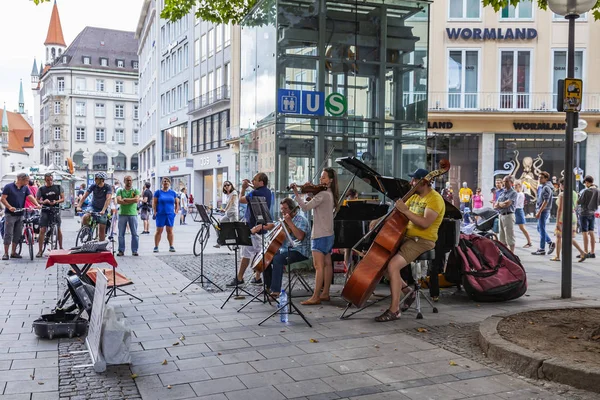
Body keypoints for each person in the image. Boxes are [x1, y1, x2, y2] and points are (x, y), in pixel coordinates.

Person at [371, 168, 445, 322]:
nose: (411, 183)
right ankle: (407, 291)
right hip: (406, 237)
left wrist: (406, 211)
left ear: (423, 182)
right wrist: (379, 220)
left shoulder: (435, 199)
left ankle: (394, 310)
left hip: (423, 241)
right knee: (380, 261)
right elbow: (397, 213)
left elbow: (425, 223)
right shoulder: (414, 196)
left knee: (393, 266)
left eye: (414, 180)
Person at [292, 167, 339, 305]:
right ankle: (325, 294)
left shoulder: (322, 195)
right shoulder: (328, 194)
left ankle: (316, 296)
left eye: (324, 177)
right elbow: (317, 205)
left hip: (319, 234)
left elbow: (305, 207)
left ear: (330, 180)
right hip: (329, 233)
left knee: (318, 266)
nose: (320, 179)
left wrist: (296, 193)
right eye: (321, 177)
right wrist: (311, 196)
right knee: (327, 264)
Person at [226, 173, 272, 287]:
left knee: (246, 254)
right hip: (262, 226)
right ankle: (257, 278)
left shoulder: (255, 193)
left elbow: (241, 200)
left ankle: (240, 278)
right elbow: (257, 189)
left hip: (252, 227)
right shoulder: (268, 191)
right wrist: (251, 185)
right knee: (258, 252)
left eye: (255, 180)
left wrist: (243, 188)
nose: (253, 181)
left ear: (261, 182)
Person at [262, 198, 311, 298]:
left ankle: (276, 290)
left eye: (285, 208)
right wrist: (261, 227)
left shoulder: (301, 220)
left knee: (278, 259)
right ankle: (269, 286)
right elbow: (274, 225)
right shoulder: (284, 220)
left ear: (292, 209)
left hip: (300, 251)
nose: (282, 211)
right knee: (266, 257)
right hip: (286, 251)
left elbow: (300, 237)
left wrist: (290, 223)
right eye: (281, 208)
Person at [1, 173, 41, 260]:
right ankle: (5, 253)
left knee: (17, 234)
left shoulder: (25, 188)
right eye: (26, 180)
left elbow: (30, 197)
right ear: (20, 179)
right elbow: (3, 198)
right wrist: (9, 207)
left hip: (20, 214)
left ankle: (13, 252)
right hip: (10, 214)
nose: (28, 182)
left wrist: (37, 204)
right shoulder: (8, 187)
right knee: (8, 233)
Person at [552, 178, 586, 262]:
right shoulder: (574, 193)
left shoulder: (562, 194)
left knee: (559, 236)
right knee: (569, 237)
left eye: (560, 184)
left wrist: (557, 221)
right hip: (573, 215)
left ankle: (557, 256)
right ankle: (582, 252)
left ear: (563, 185)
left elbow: (560, 209)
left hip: (563, 217)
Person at [77, 172, 113, 242]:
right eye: (95, 178)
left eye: (96, 178)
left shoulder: (107, 187)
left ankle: (101, 246)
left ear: (102, 180)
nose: (95, 179)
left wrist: (103, 210)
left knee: (101, 230)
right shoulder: (93, 186)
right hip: (93, 206)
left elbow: (108, 199)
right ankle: (85, 231)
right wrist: (79, 206)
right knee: (85, 217)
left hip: (103, 208)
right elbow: (84, 196)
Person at [36, 173, 65, 257]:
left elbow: (63, 198)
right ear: (45, 180)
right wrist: (43, 202)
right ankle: (40, 250)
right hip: (45, 209)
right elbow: (37, 200)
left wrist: (56, 202)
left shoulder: (58, 187)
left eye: (51, 180)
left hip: (55, 209)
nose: (50, 181)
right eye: (48, 180)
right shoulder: (41, 189)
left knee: (58, 228)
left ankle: (61, 247)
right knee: (42, 229)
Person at [532, 171, 556, 256]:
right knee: (539, 228)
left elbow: (546, 201)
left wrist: (539, 212)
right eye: (538, 177)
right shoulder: (542, 186)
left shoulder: (546, 187)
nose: (539, 179)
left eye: (541, 178)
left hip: (544, 211)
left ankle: (542, 249)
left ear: (546, 179)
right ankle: (550, 242)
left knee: (541, 229)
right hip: (542, 210)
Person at [153, 177, 179, 252]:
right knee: (159, 231)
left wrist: (175, 212)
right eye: (164, 181)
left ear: (169, 183)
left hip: (170, 214)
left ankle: (171, 246)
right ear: (162, 183)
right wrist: (155, 212)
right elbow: (154, 203)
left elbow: (177, 203)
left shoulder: (173, 193)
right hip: (160, 214)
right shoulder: (158, 192)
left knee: (170, 231)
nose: (165, 182)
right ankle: (156, 246)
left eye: (167, 181)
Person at [116, 176, 140, 256]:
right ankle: (121, 250)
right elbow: (119, 201)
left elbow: (136, 200)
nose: (129, 182)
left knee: (135, 233)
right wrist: (131, 200)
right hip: (122, 213)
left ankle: (134, 250)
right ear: (124, 181)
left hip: (133, 214)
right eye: (127, 180)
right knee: (121, 234)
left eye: (130, 180)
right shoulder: (120, 190)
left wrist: (125, 199)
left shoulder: (135, 190)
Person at [577, 175, 599, 259]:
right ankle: (592, 252)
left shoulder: (586, 191)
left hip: (584, 213)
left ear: (587, 182)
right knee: (591, 231)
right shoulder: (597, 190)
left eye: (585, 183)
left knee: (585, 232)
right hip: (592, 213)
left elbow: (579, 201)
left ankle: (585, 252)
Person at [494, 176, 518, 252]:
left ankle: (512, 254)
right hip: (501, 215)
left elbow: (507, 204)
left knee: (510, 236)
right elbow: (495, 205)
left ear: (511, 183)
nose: (504, 183)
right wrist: (501, 204)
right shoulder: (502, 192)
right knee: (502, 237)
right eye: (504, 181)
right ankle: (505, 254)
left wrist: (500, 204)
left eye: (506, 181)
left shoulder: (513, 193)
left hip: (509, 215)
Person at [214, 181, 239, 248]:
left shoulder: (234, 193)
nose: (226, 186)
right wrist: (222, 209)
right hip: (228, 214)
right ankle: (220, 241)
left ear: (231, 185)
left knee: (234, 229)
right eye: (225, 186)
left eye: (228, 185)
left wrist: (225, 209)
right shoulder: (228, 194)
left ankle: (235, 245)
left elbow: (231, 202)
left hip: (233, 214)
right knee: (218, 225)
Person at [514, 180, 532, 248]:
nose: (515, 187)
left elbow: (516, 203)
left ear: (519, 186)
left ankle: (529, 242)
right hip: (515, 211)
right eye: (514, 185)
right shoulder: (516, 193)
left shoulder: (521, 194)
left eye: (516, 185)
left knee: (522, 228)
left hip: (519, 211)